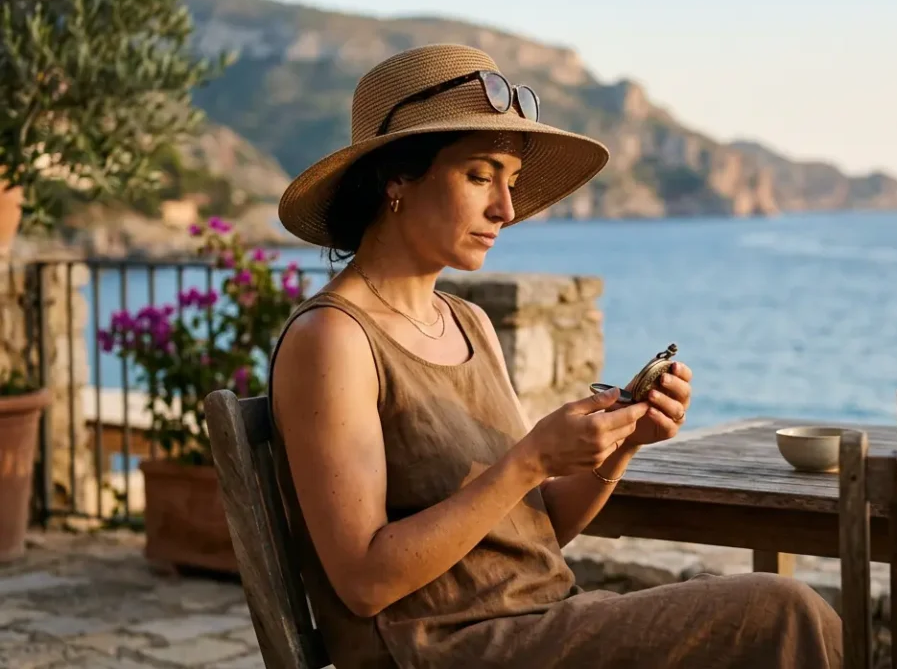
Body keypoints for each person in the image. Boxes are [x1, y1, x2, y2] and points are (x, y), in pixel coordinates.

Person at [267, 43, 844, 668]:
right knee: (781, 612)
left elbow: (533, 537)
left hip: (540, 627)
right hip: (444, 648)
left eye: (511, 183)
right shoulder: (334, 339)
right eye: (480, 176)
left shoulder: (469, 323)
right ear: (396, 179)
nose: (506, 210)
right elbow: (363, 581)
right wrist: (530, 460)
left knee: (779, 615)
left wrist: (623, 441)